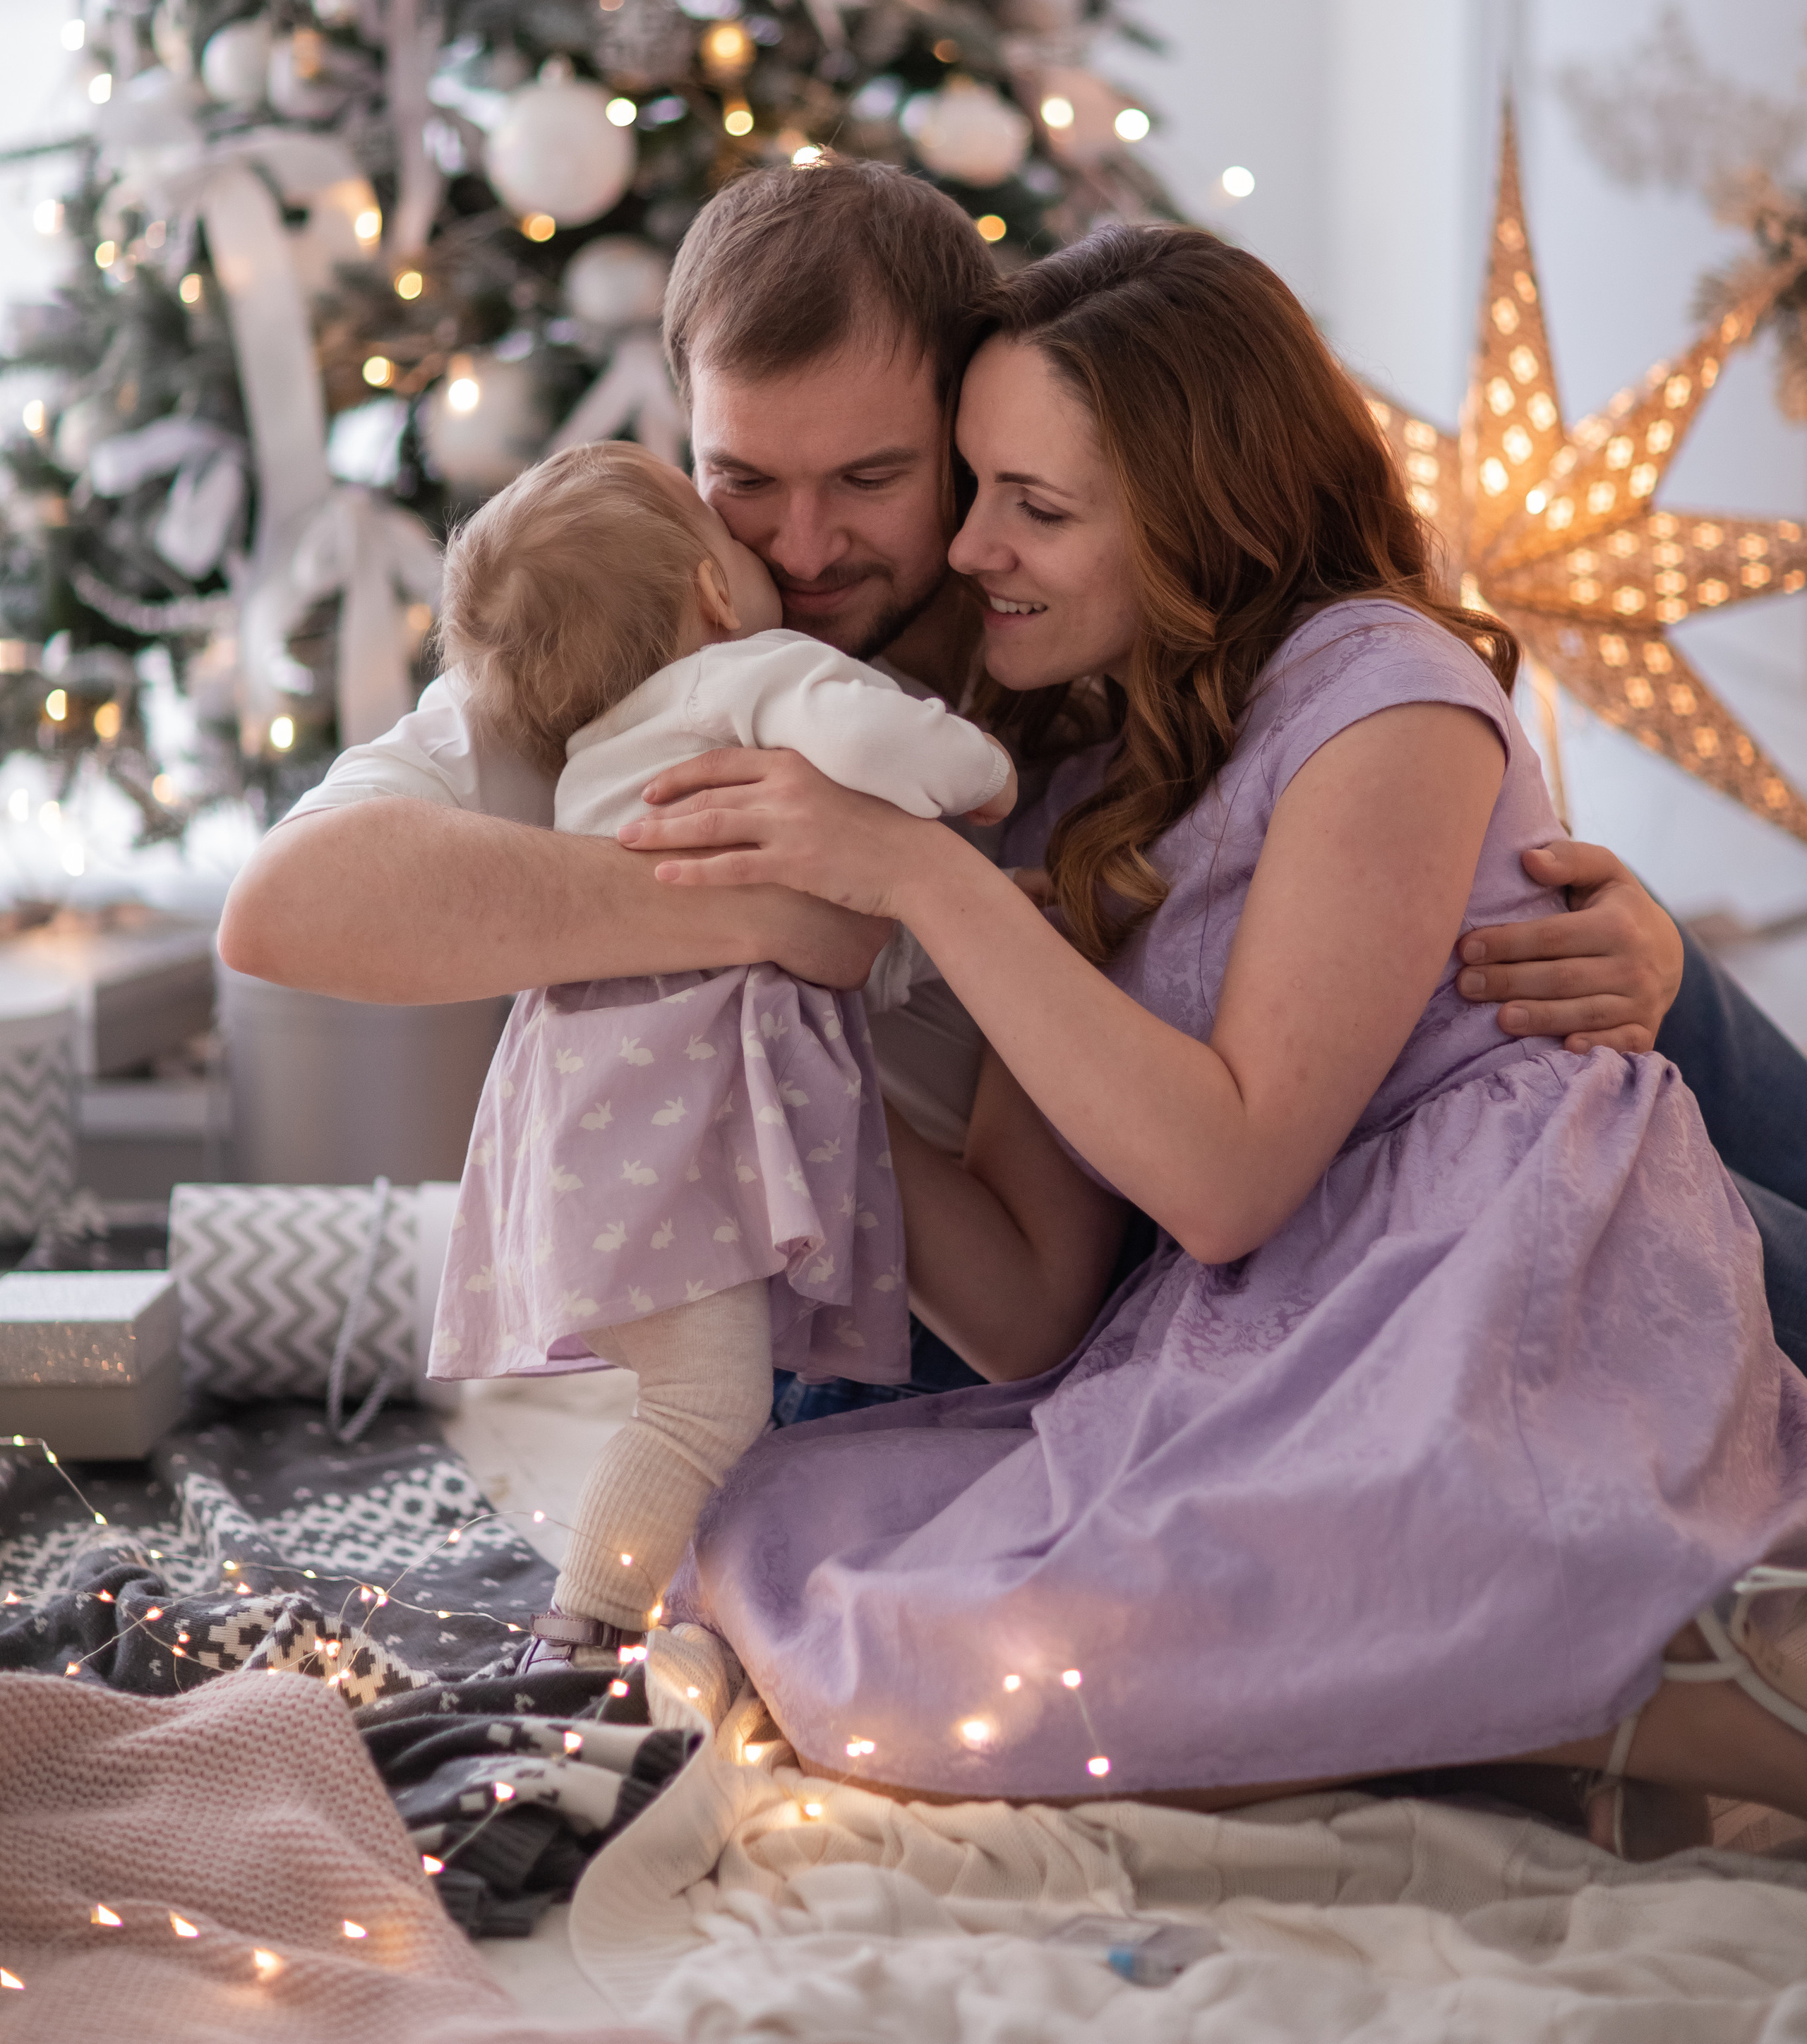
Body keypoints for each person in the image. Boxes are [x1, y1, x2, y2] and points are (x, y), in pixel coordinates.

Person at [217, 164, 1807, 1381]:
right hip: (965, 1265)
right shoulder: (629, 627)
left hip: (1254, 1170)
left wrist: (1616, 951)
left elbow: (1349, 812)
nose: (801, 547)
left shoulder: (1074, 639)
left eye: (873, 477)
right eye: (743, 478)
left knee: (1628, 990)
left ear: (969, 427)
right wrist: (769, 915)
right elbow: (286, 908)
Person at [616, 220, 1807, 1832]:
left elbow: (1229, 1179)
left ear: (1200, 519)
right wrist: (773, 1047)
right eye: (974, 491)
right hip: (1285, 1295)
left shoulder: (1376, 690)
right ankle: (1556, 1698)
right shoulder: (1081, 775)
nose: (969, 548)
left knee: (1093, 1634)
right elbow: (1030, 1308)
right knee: (802, 1558)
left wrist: (915, 874)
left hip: (1494, 1254)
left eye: (1032, 507)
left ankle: (1651, 1683)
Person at [423, 438, 1011, 1657]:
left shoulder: (590, 758)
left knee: (689, 1390)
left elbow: (821, 948)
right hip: (662, 1133)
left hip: (584, 1128)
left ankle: (618, 1605)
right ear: (711, 591)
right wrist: (983, 774)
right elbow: (881, 743)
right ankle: (580, 1631)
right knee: (703, 1407)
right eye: (737, 539)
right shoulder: (745, 676)